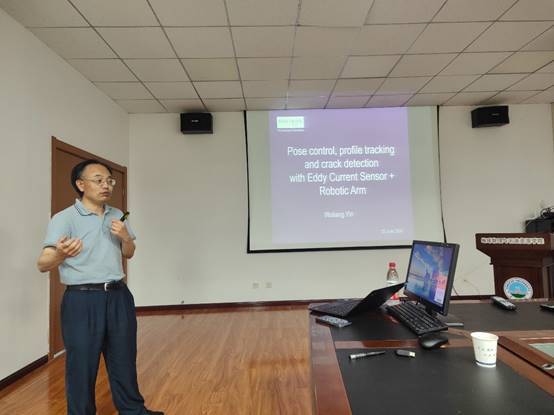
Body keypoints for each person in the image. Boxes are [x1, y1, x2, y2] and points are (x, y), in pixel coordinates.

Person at [37, 159, 163, 415]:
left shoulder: (117, 214)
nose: (106, 185)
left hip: (118, 295)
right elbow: (42, 263)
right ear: (81, 184)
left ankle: (133, 410)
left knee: (124, 358)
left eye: (109, 181)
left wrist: (126, 237)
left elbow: (129, 253)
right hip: (82, 300)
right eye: (98, 180)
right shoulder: (64, 218)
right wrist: (60, 254)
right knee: (81, 364)